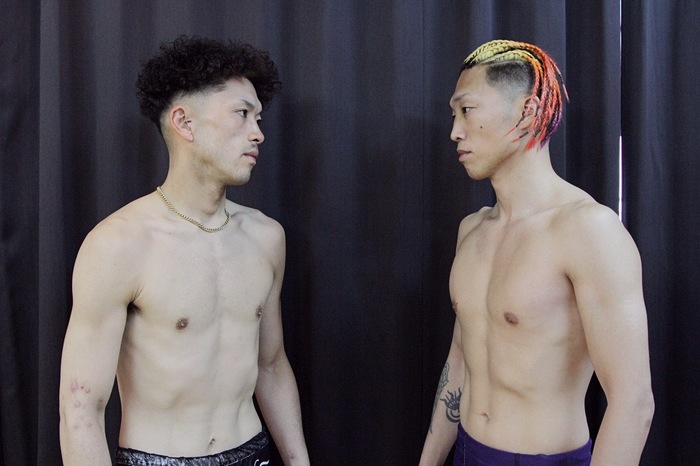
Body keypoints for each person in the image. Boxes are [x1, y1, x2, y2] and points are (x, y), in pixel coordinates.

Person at [59, 35, 310, 466]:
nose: (258, 133)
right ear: (185, 123)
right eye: (242, 114)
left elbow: (270, 365)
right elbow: (81, 409)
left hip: (253, 452)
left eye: (258, 117)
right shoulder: (119, 244)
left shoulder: (266, 237)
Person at [419, 40, 654, 465]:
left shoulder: (588, 230)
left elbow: (632, 402)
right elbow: (462, 358)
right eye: (454, 115)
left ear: (527, 112)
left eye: (467, 110)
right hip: (469, 450)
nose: (455, 131)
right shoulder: (471, 229)